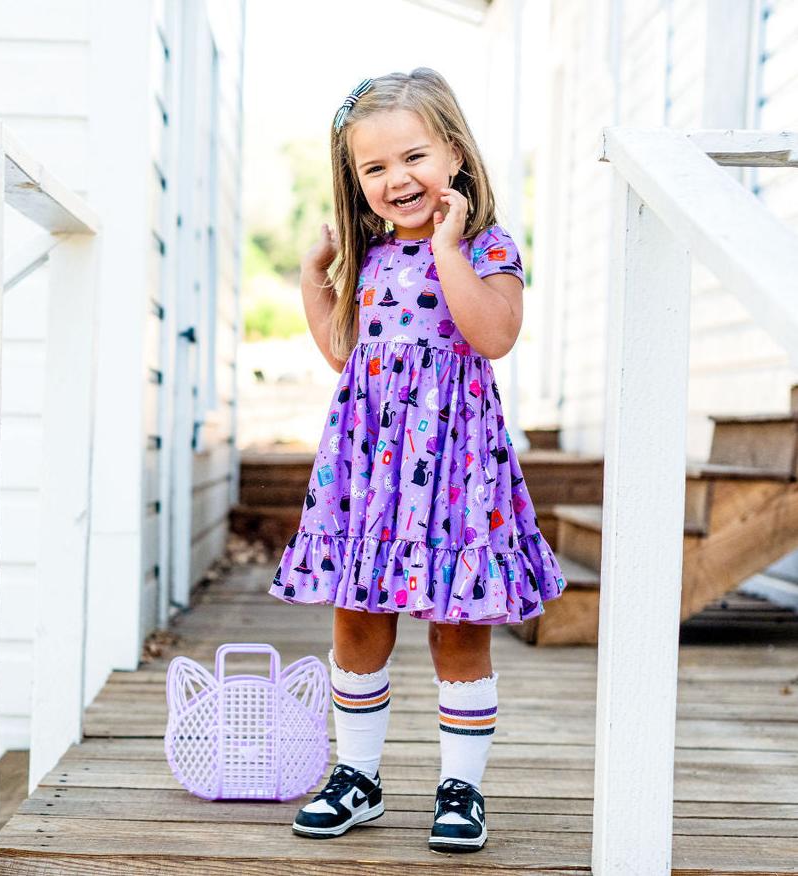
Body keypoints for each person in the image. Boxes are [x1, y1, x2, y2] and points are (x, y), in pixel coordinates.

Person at [269, 68, 568, 853]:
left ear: (456, 157)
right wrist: (312, 281)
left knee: (457, 623)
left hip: (457, 470)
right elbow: (349, 355)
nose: (396, 179)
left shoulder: (486, 246)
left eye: (413, 157)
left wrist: (444, 248)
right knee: (358, 617)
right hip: (371, 468)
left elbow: (491, 335)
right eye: (374, 167)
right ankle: (357, 776)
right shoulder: (365, 256)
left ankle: (460, 788)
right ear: (355, 178)